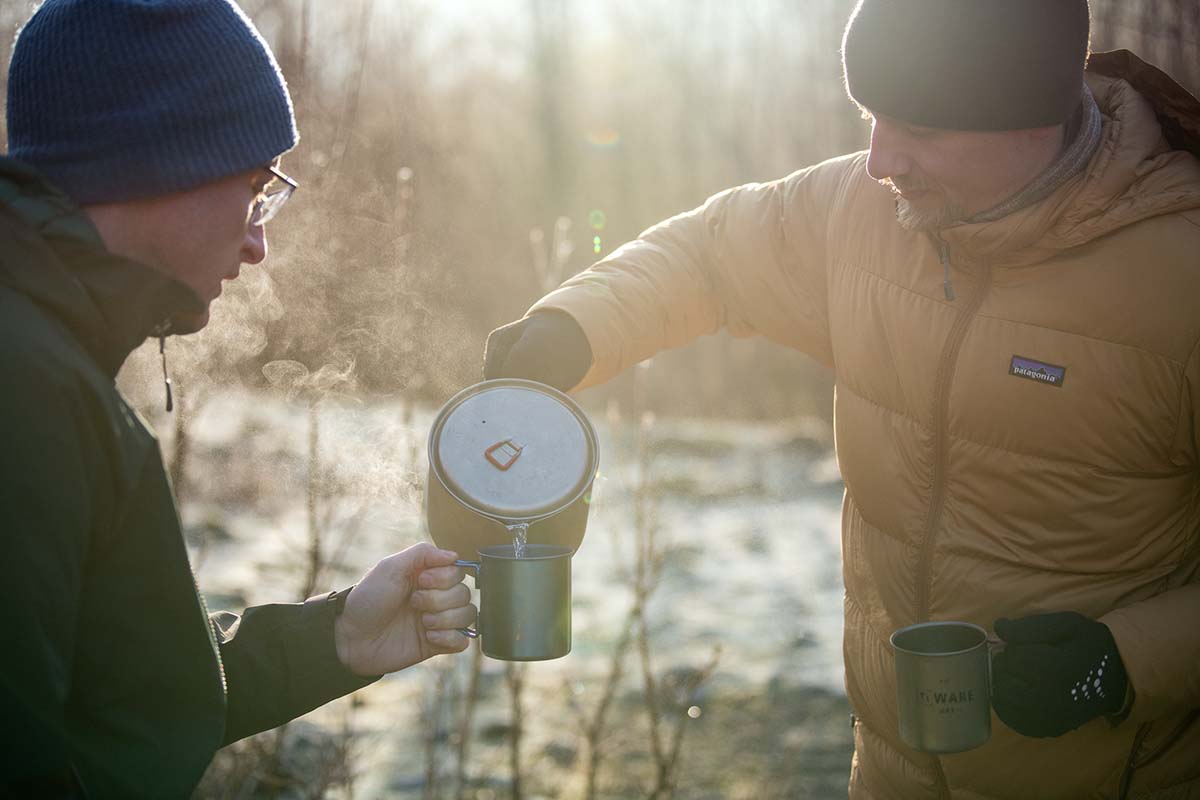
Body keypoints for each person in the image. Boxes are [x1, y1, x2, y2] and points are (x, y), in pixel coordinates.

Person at [484, 1, 1200, 797]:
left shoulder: (1180, 275)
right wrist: (573, 326)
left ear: (1029, 118)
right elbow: (709, 254)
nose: (879, 160)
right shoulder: (862, 216)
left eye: (919, 131)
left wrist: (1123, 663)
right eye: (871, 118)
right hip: (892, 773)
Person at [0, 2, 474, 797]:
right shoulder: (26, 390)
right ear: (156, 160)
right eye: (255, 187)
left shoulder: (45, 355)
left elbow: (110, 696)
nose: (259, 241)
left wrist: (339, 636)